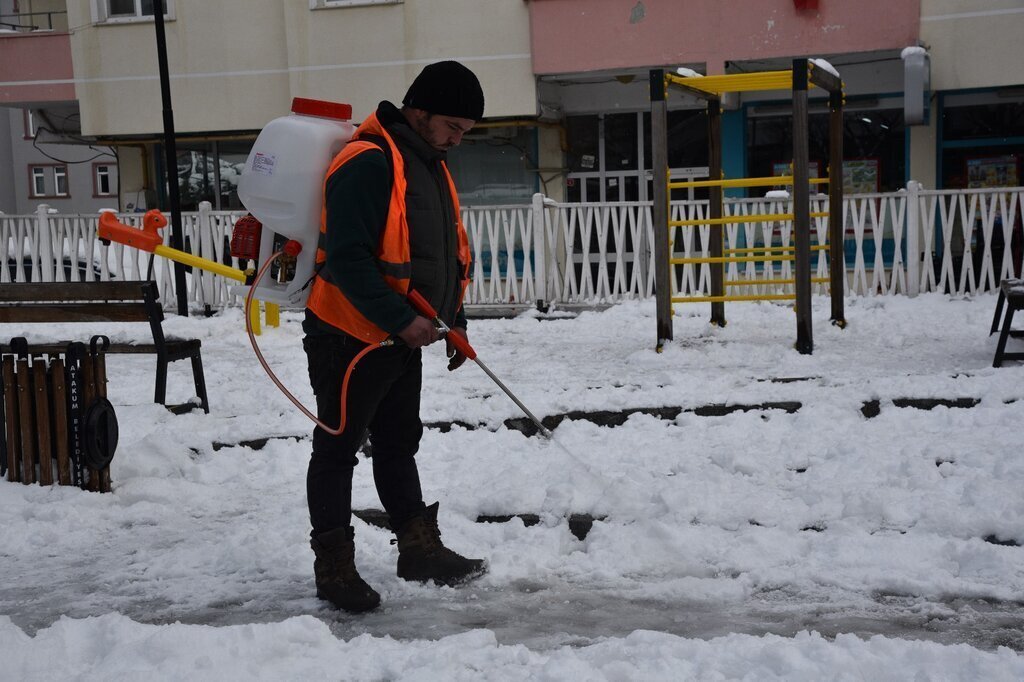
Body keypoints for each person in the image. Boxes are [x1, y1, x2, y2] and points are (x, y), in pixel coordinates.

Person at [302, 61, 486, 613]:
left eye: (465, 131)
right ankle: (334, 569)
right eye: (453, 125)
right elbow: (348, 258)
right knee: (337, 450)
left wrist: (454, 322)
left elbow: (439, 257)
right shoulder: (368, 161)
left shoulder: (428, 163)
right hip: (349, 335)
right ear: (419, 110)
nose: (458, 138)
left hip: (402, 337)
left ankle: (418, 550)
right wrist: (399, 320)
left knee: (399, 440)